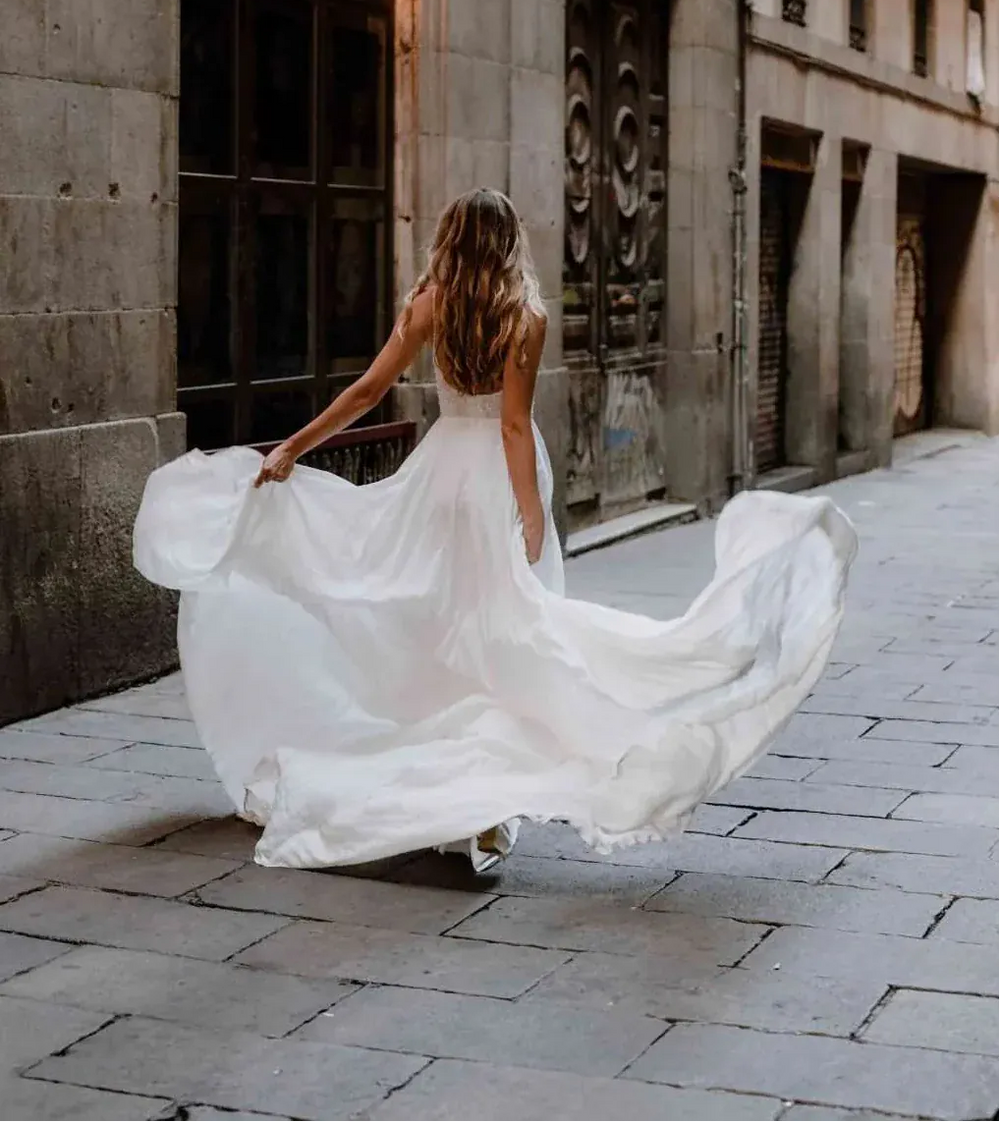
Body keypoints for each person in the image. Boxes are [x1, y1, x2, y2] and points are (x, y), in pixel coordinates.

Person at [134, 187, 857, 875]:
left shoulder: (429, 304)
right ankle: (480, 796)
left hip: (439, 475)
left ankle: (454, 778)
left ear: (451, 241)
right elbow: (512, 423)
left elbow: (367, 389)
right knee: (504, 626)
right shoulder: (525, 315)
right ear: (508, 243)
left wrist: (294, 444)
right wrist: (532, 510)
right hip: (494, 479)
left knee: (437, 617)